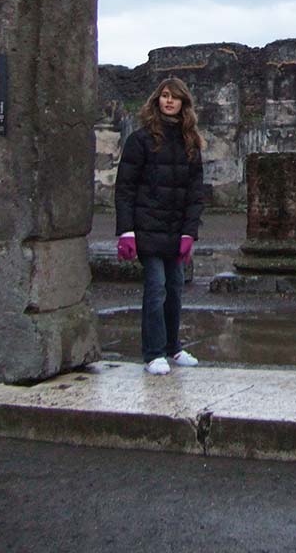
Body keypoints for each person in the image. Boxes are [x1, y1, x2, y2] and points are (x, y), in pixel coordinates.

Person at [115, 76, 205, 375]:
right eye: (165, 95)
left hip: (175, 227)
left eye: (175, 97)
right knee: (156, 288)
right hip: (147, 227)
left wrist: (189, 232)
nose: (169, 101)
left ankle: (172, 347)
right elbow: (125, 187)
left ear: (183, 103)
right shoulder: (140, 140)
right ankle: (153, 353)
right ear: (157, 100)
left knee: (175, 289)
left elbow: (195, 192)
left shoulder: (190, 142)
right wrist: (127, 232)